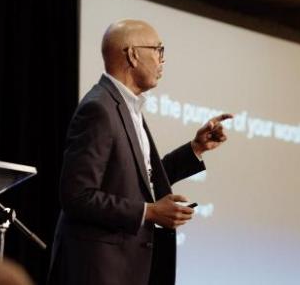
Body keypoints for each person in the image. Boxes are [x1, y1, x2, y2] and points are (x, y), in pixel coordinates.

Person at [47, 19, 232, 285]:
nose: (162, 61)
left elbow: (137, 180)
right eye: (158, 50)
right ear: (133, 55)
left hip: (127, 268)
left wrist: (196, 148)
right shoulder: (99, 109)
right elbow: (76, 196)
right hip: (99, 271)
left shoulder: (126, 106)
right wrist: (149, 212)